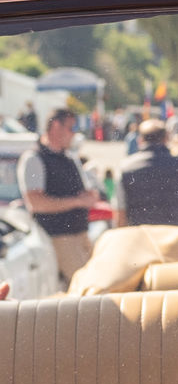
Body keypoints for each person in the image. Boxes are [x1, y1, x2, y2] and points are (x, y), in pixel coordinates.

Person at [16, 107, 100, 284]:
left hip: (80, 234)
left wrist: (89, 197)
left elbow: (85, 191)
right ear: (55, 126)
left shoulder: (69, 157)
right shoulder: (33, 159)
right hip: (58, 238)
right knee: (87, 290)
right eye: (71, 128)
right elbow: (36, 202)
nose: (74, 134)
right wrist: (77, 201)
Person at [114, 119, 178, 228]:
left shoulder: (125, 168)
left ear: (140, 140)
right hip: (176, 236)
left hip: (142, 237)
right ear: (166, 139)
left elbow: (120, 214)